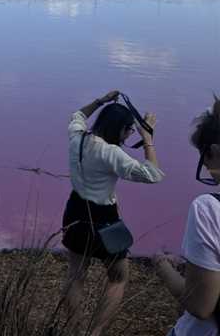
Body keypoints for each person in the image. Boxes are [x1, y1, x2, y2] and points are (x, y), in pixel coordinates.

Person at [62, 90, 163, 336]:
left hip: (74, 211)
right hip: (103, 219)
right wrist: (148, 139)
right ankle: (95, 333)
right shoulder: (111, 153)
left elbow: (77, 115)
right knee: (118, 277)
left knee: (76, 274)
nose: (130, 135)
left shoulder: (77, 138)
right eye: (129, 131)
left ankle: (75, 331)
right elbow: (153, 175)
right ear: (119, 129)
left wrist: (100, 101)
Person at [154, 97, 220, 336]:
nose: (204, 167)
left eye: (203, 157)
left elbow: (200, 306)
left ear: (213, 152)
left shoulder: (208, 209)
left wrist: (162, 267)